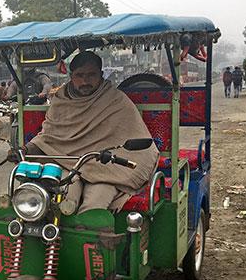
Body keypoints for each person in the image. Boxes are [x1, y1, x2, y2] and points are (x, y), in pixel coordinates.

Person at [27, 51, 159, 214]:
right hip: (69, 164)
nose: (85, 81)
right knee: (64, 201)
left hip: (107, 169)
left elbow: (136, 140)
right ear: (71, 76)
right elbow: (48, 138)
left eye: (91, 75)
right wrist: (27, 149)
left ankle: (95, 238)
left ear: (101, 74)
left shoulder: (116, 100)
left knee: (93, 208)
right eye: (79, 75)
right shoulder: (60, 100)